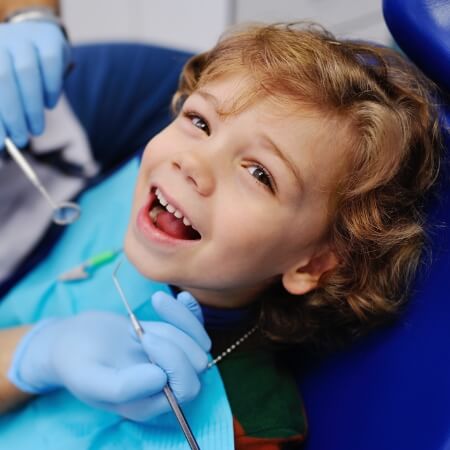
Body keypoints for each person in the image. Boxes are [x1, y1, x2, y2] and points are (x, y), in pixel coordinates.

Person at [0, 8, 444, 450]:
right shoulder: (125, 186)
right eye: (199, 122)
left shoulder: (253, 426)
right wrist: (36, 353)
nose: (191, 163)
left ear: (312, 264)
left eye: (259, 174)